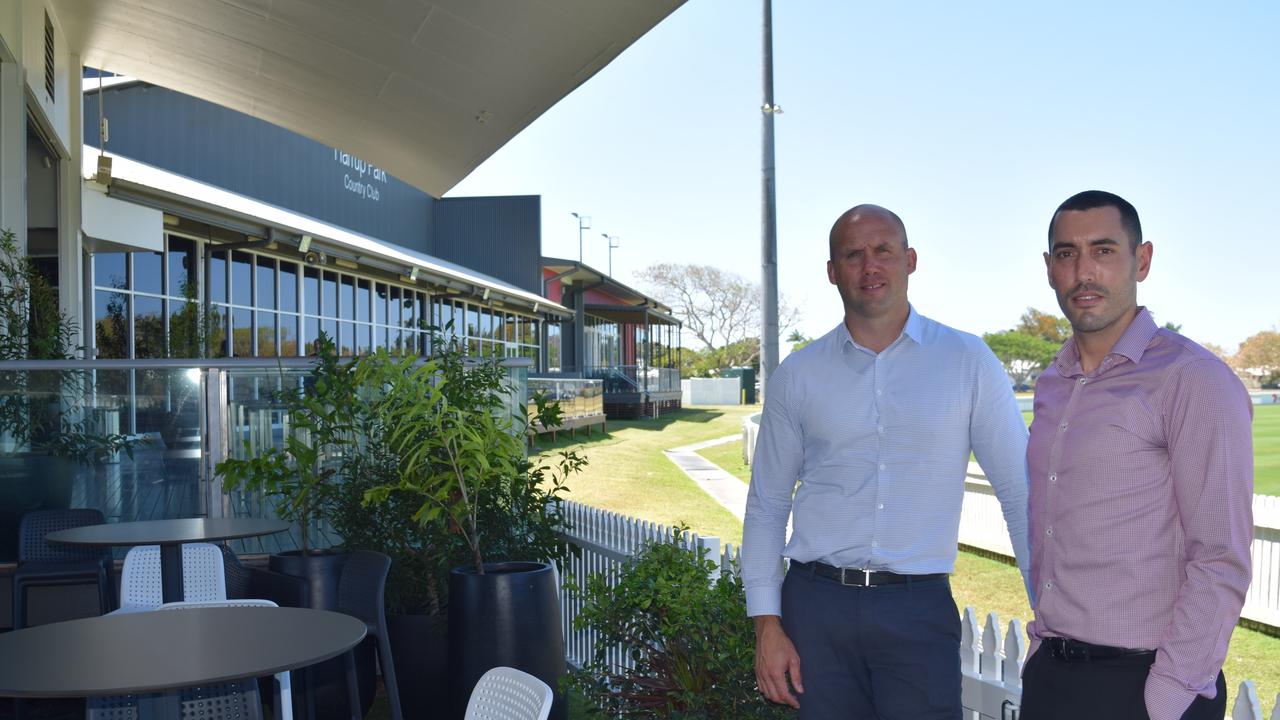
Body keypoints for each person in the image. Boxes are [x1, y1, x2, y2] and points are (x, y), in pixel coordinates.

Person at [743, 204, 1032, 719]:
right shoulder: (798, 375)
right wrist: (767, 622)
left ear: (910, 260)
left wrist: (1046, 612)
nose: (869, 266)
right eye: (852, 254)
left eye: (883, 251)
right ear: (833, 272)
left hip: (917, 609)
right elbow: (766, 504)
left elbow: (1021, 492)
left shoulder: (968, 362)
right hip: (816, 607)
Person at [1021, 190, 1254, 720]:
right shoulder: (1053, 383)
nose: (1083, 271)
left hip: (1147, 687)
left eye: (1103, 251)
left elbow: (1220, 554)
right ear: (1049, 268)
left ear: (1141, 260)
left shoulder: (1192, 380)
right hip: (1054, 676)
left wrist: (1167, 698)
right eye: (1066, 254)